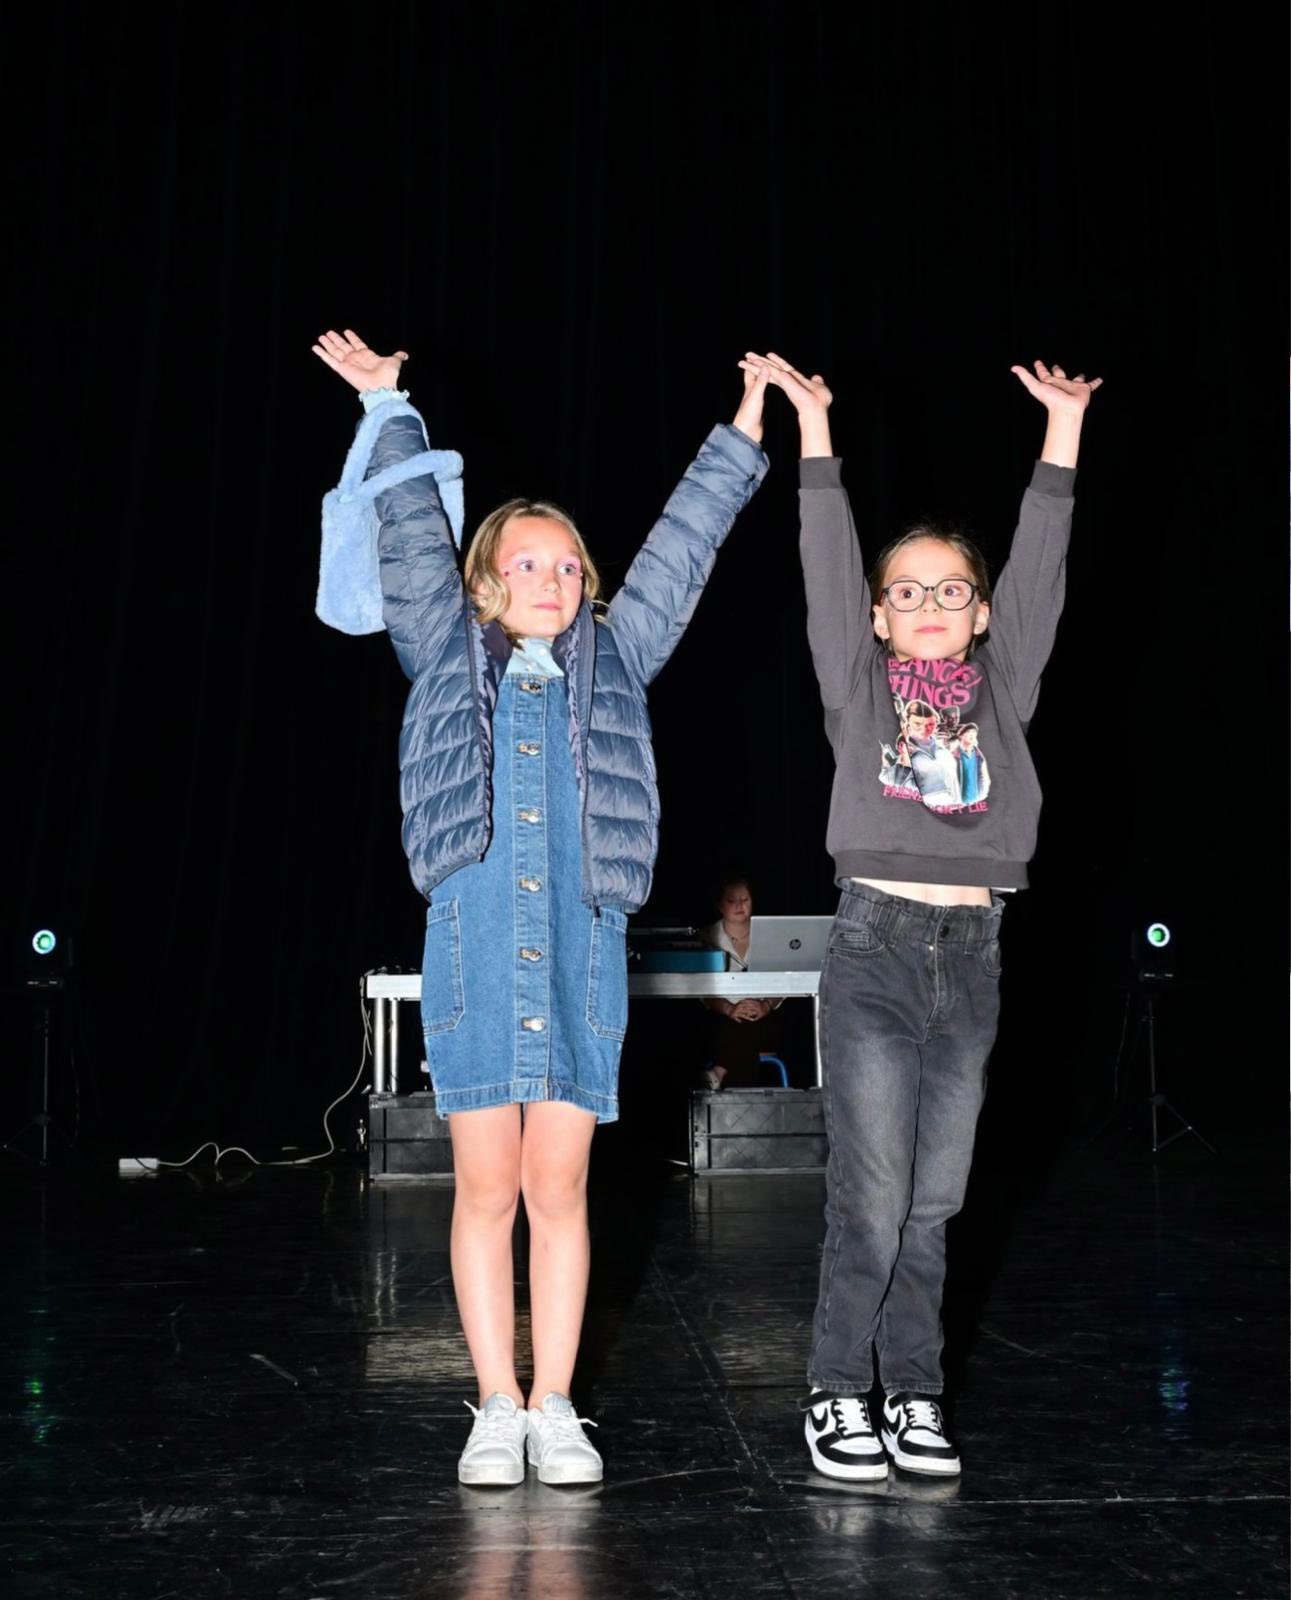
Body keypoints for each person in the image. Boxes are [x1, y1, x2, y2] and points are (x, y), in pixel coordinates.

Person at [313, 328, 770, 1487]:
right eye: (526, 565)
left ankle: (556, 1406)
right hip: (473, 947)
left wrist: (744, 429)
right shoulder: (440, 648)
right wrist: (388, 406)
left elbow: (681, 547)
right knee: (485, 1187)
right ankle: (495, 1407)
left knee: (559, 1188)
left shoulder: (618, 655)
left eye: (568, 566)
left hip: (581, 952)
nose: (551, 582)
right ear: (484, 583)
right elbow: (409, 537)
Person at [747, 348, 1099, 1482]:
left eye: (952, 590)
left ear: (981, 613)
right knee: (874, 1194)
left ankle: (912, 1392)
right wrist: (814, 432)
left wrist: (1061, 434)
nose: (931, 605)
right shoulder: (859, 689)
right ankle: (836, 1389)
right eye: (906, 591)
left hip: (974, 953)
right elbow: (821, 560)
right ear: (878, 617)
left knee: (935, 1199)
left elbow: (1042, 564)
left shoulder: (1005, 687)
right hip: (874, 948)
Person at [699, 875, 786, 1089]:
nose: (739, 905)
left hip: (765, 1016)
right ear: (720, 905)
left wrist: (766, 1005)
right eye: (732, 900)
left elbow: (785, 981)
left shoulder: (770, 935)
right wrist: (729, 1009)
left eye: (745, 899)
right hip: (722, 1017)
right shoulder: (705, 937)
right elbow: (701, 990)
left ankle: (719, 1072)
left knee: (747, 1028)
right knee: (733, 1028)